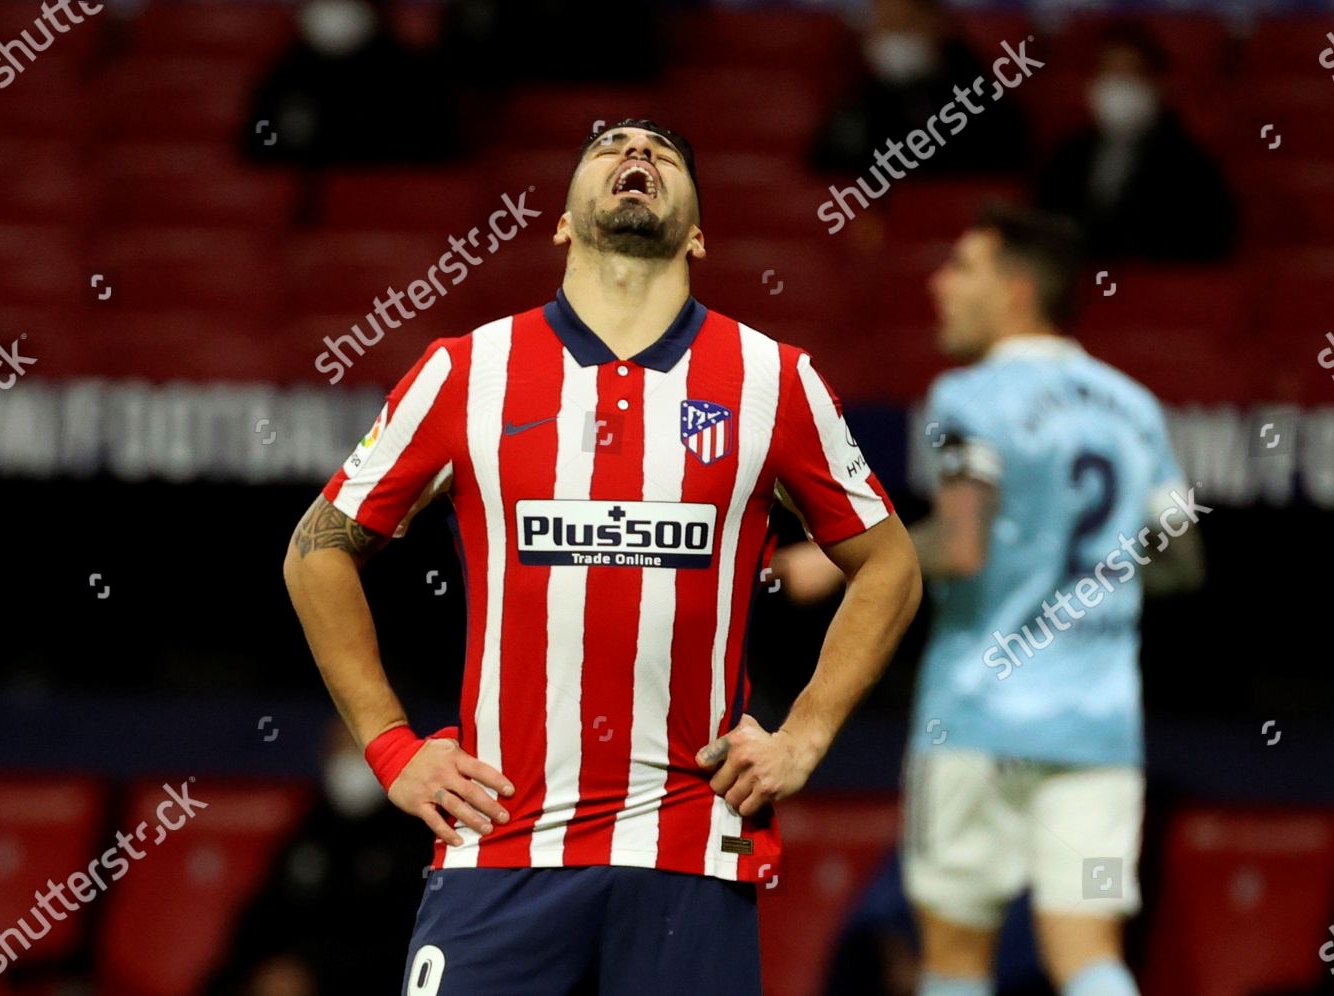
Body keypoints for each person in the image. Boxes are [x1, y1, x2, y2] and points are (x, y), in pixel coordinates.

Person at [281, 119, 923, 995]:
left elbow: (890, 565)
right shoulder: (467, 372)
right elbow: (316, 550)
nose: (638, 157)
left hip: (690, 853)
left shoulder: (773, 380)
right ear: (561, 220)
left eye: (664, 154)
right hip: (498, 849)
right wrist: (392, 748)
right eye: (609, 147)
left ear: (698, 231)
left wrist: (805, 737)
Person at [774, 204, 1204, 996]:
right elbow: (1181, 559)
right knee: (1091, 953)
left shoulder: (968, 400)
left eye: (961, 267)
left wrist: (839, 564)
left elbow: (963, 544)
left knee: (956, 954)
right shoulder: (1133, 407)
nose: (940, 284)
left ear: (1013, 290)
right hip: (1100, 740)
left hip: (976, 725)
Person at [206, 721, 432, 996]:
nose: (349, 762)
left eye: (360, 749)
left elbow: (406, 940)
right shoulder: (310, 828)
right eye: (339, 748)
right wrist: (263, 971)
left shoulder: (418, 838)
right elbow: (263, 915)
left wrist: (314, 972)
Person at [1035, 23, 1236, 263]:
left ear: (1157, 84)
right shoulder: (1068, 157)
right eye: (1110, 72)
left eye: (1131, 73)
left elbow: (1205, 240)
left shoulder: (1192, 165)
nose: (1119, 86)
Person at [809, 0, 1029, 178]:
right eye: (883, 23)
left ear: (936, 23)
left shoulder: (983, 100)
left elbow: (994, 161)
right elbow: (829, 164)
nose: (890, 36)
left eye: (902, 24)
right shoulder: (858, 99)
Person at [241, 0, 463, 167]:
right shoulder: (284, 78)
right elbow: (260, 136)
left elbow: (435, 147)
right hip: (308, 201)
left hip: (389, 205)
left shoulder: (414, 78)